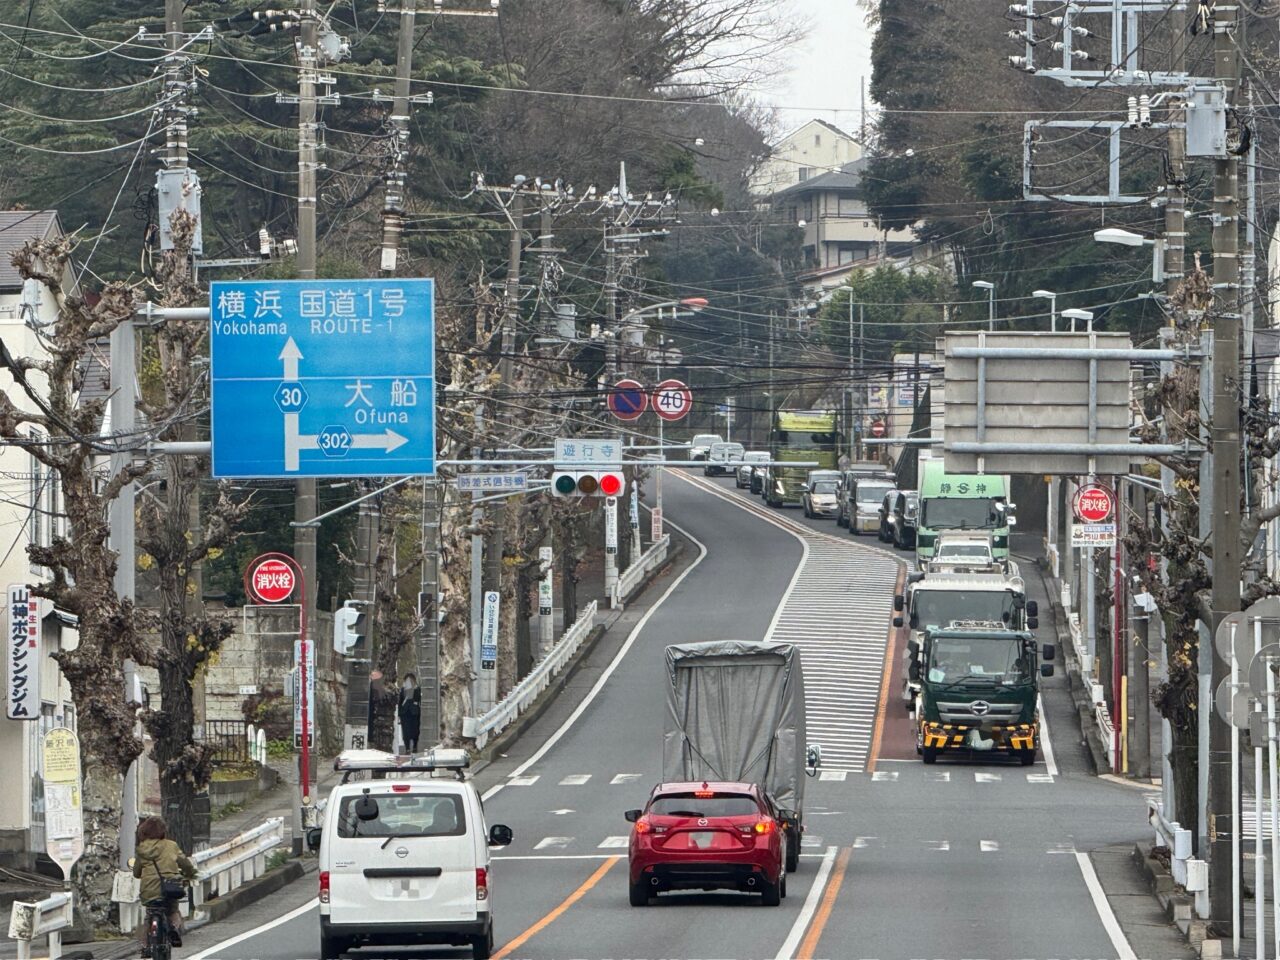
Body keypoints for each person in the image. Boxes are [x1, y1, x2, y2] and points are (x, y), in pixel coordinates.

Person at [132, 816, 196, 954]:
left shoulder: (142, 849)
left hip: (149, 890)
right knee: (172, 910)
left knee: (149, 916)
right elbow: (185, 863)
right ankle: (174, 928)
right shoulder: (171, 845)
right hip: (170, 888)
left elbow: (136, 873)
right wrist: (191, 874)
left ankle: (145, 945)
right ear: (162, 831)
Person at [398, 673, 422, 753]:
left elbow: (419, 699)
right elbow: (400, 702)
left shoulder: (417, 689)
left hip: (414, 713)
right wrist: (399, 714)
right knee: (405, 731)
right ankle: (407, 748)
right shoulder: (402, 690)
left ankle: (415, 747)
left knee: (415, 730)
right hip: (405, 713)